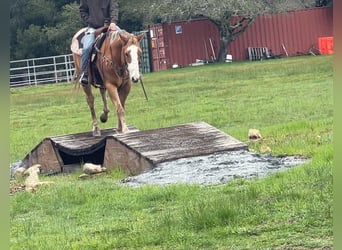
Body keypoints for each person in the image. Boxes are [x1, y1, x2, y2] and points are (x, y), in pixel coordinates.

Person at [79, 0, 120, 85]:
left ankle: (131, 69)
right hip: (93, 28)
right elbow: (82, 11)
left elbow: (114, 8)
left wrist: (113, 22)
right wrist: (90, 21)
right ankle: (84, 73)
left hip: (110, 26)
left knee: (127, 40)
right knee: (86, 48)